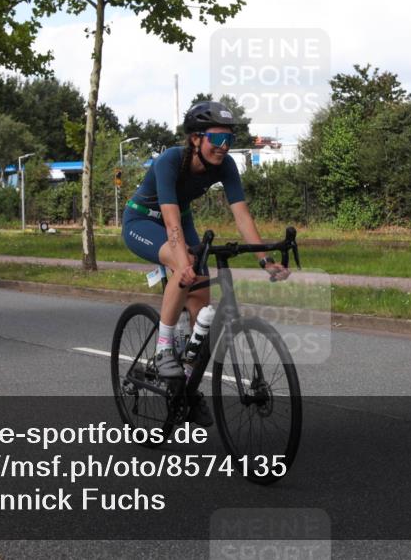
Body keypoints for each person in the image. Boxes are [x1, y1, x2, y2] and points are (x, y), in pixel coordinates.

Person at [121, 100, 290, 426]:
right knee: (183, 265)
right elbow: (170, 220)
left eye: (228, 140)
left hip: (179, 220)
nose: (223, 147)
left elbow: (241, 214)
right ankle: (164, 350)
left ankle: (186, 386)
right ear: (196, 138)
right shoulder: (171, 160)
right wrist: (183, 261)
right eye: (216, 138)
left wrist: (265, 259)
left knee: (202, 302)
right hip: (143, 221)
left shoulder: (225, 166)